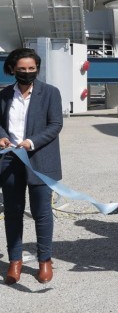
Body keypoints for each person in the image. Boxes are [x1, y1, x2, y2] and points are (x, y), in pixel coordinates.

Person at [0, 48, 63, 285]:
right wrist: (2, 137)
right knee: (13, 212)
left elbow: (55, 124)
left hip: (40, 160)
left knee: (42, 212)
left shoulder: (50, 93)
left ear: (37, 69)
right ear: (13, 70)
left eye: (31, 69)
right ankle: (15, 260)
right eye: (22, 69)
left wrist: (31, 142)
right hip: (10, 161)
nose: (27, 73)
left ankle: (44, 260)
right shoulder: (5, 94)